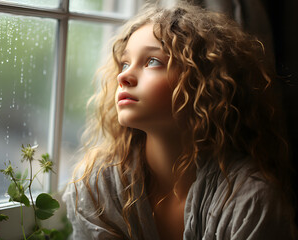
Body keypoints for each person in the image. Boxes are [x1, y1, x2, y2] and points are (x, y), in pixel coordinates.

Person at [63, 1, 297, 239]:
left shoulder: (249, 202)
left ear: (201, 82)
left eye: (152, 61)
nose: (124, 76)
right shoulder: (98, 187)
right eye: (125, 63)